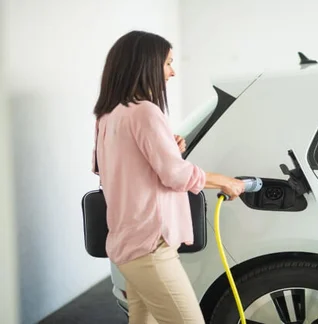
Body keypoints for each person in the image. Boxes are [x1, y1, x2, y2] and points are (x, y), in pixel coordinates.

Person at [91, 30, 245, 324]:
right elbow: (175, 175)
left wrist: (166, 149)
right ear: (144, 65)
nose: (172, 72)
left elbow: (116, 168)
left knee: (142, 319)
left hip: (126, 241)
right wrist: (225, 181)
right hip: (151, 246)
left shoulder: (108, 115)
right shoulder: (145, 113)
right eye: (167, 63)